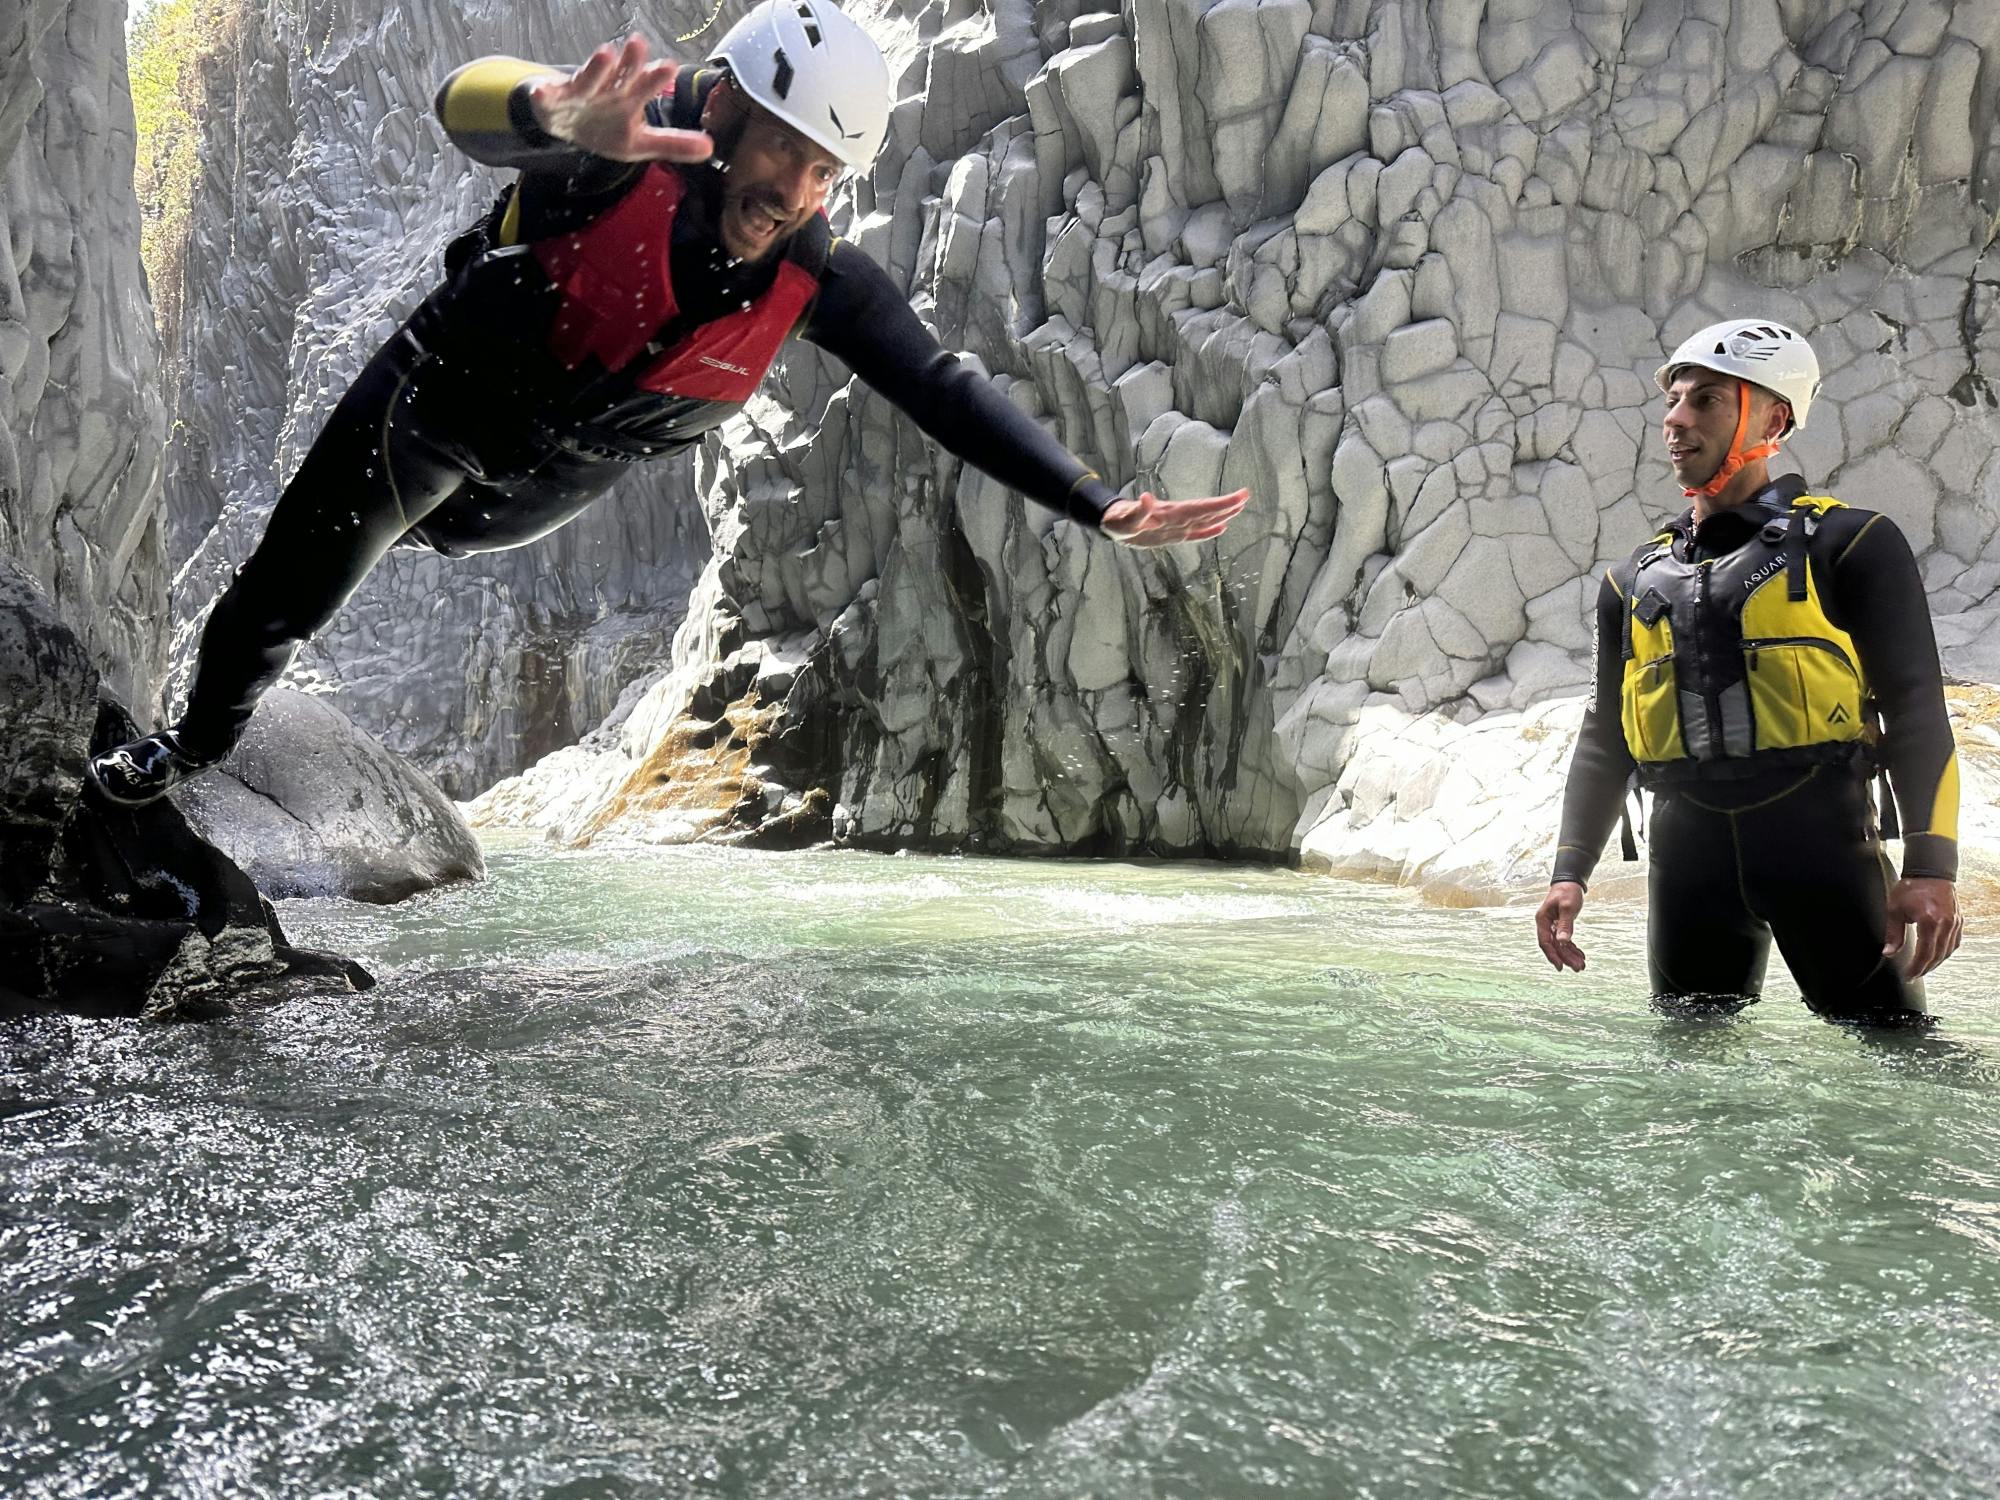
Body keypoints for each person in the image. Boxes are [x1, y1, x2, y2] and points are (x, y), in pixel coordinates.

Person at [90, 1, 1248, 806]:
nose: (789, 193)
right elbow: (463, 101)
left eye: (820, 174)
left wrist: (1093, 504)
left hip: (546, 487)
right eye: (781, 153)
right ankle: (188, 748)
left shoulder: (819, 277)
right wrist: (551, 115)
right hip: (435, 418)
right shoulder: (617, 148)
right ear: (729, 112)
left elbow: (938, 387)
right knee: (276, 604)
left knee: (428, 536)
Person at [1533, 318, 1963, 1022]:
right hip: (1686, 861)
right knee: (1692, 1077)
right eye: (1672, 402)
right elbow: (1605, 735)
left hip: (1820, 849)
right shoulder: (1633, 579)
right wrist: (1568, 873)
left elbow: (1917, 711)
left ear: (1775, 418)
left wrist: (1930, 868)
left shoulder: (1850, 544)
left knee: (1902, 1060)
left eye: (1705, 401)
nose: (1675, 420)